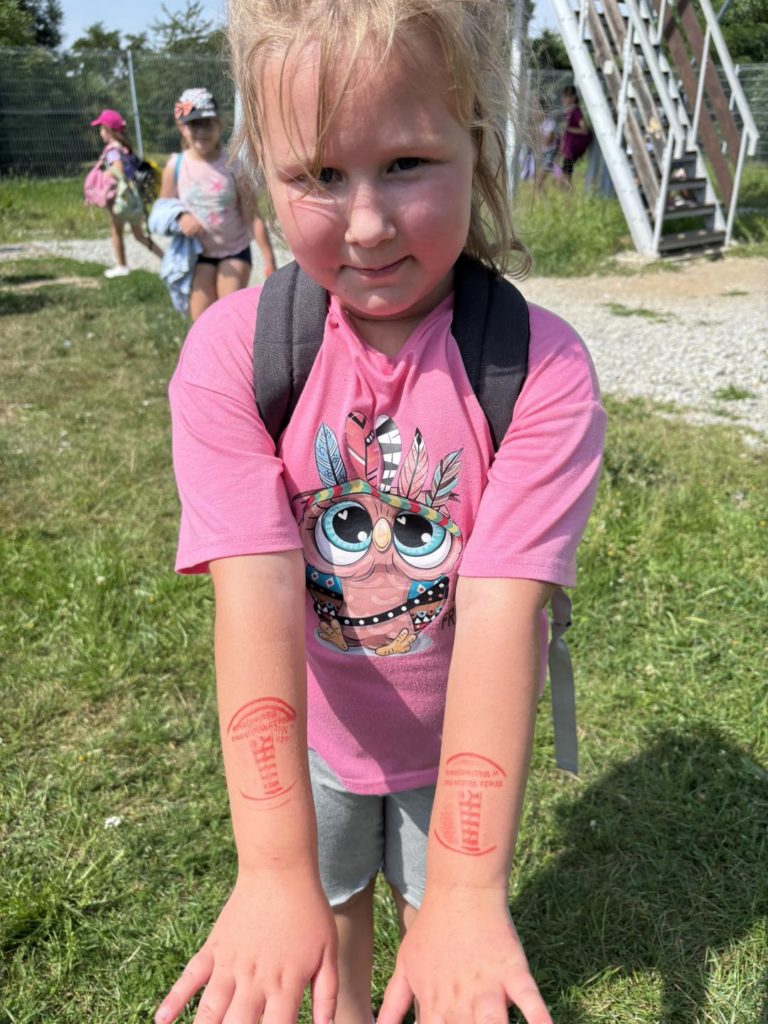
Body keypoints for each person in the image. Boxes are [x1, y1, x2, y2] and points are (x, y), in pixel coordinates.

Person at [155, 4, 606, 1024]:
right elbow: (256, 593)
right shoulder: (232, 358)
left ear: (477, 146)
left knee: (437, 923)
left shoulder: (540, 371)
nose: (365, 224)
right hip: (318, 736)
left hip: (459, 743)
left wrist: (467, 891)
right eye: (319, 174)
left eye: (405, 163)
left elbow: (501, 614)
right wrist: (273, 869)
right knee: (328, 917)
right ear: (264, 173)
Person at [160, 88, 276, 321]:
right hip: (198, 254)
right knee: (201, 323)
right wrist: (181, 218)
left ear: (219, 125)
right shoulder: (176, 166)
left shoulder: (234, 166)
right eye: (194, 125)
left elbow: (253, 216)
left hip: (234, 250)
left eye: (208, 124)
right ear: (182, 128)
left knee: (227, 317)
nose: (201, 132)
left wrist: (269, 257)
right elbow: (162, 209)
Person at [90, 109, 163, 278]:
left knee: (116, 230)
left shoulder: (112, 151)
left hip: (121, 198)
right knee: (139, 235)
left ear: (109, 130)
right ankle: (166, 258)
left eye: (102, 129)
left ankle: (121, 266)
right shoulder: (125, 148)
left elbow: (118, 169)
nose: (101, 133)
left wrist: (102, 175)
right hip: (134, 197)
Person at [557, 85, 593, 183]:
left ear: (573, 98)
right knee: (564, 174)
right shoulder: (567, 112)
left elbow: (584, 130)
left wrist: (568, 128)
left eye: (566, 97)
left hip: (573, 148)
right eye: (563, 96)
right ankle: (566, 190)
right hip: (568, 148)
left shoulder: (575, 111)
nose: (564, 99)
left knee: (565, 176)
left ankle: (567, 191)